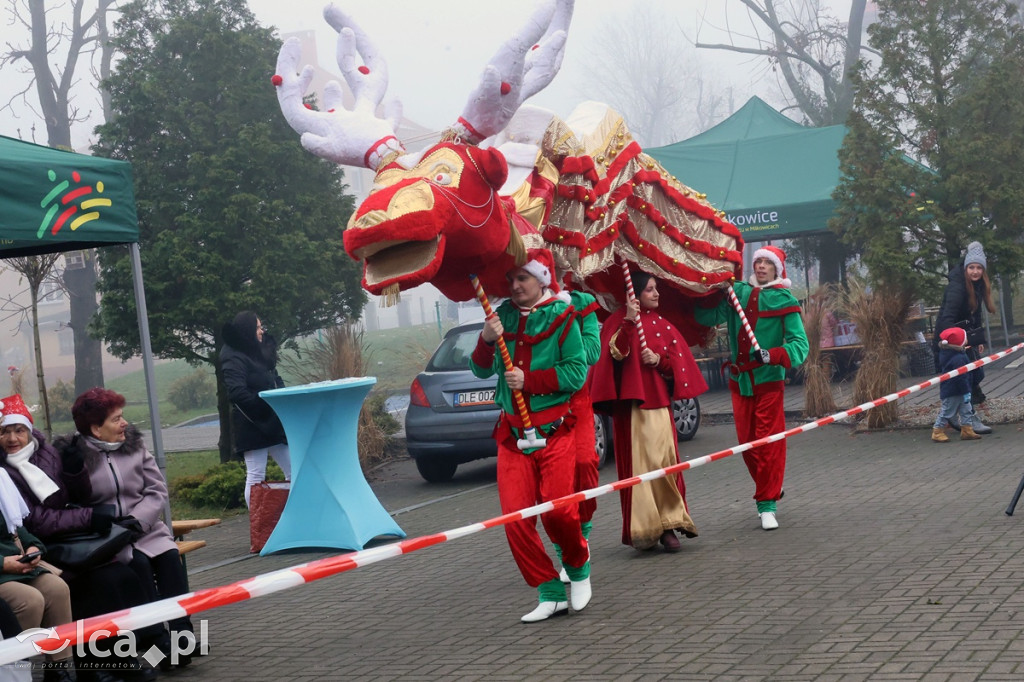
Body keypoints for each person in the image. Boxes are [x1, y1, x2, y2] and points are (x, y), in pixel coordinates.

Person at [468, 248, 592, 623]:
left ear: (541, 279)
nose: (515, 285)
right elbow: (477, 370)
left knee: (559, 511)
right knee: (516, 519)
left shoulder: (564, 315)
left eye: (523, 278)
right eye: (512, 279)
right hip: (512, 435)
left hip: (555, 432)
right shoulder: (499, 316)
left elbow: (577, 373)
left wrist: (531, 381)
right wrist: (486, 341)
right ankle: (549, 591)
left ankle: (579, 565)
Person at [0, 394, 161, 681]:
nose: (13, 438)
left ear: (29, 430)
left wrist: (75, 472)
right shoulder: (5, 473)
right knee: (95, 582)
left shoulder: (45, 452)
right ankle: (91, 663)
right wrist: (87, 518)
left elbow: (77, 497)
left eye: (19, 430)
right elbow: (33, 520)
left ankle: (122, 655)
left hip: (62, 540)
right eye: (5, 431)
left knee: (124, 573)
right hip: (49, 544)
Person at [57, 388, 196, 670]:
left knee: (170, 558)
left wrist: (138, 520)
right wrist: (108, 521)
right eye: (116, 419)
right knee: (139, 565)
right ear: (96, 428)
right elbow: (71, 503)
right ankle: (158, 646)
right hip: (108, 537)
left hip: (146, 529)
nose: (125, 424)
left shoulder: (134, 446)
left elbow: (156, 490)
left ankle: (183, 638)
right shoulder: (74, 457)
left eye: (123, 417)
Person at [590, 271, 706, 552]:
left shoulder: (662, 324)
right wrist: (629, 321)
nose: (656, 294)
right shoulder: (619, 321)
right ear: (635, 295)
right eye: (650, 290)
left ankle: (672, 519)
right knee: (646, 466)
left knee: (666, 463)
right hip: (635, 409)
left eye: (656, 289)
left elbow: (675, 367)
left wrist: (660, 361)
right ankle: (653, 527)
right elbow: (615, 353)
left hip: (661, 405)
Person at [694, 245, 809, 531]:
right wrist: (702, 291)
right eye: (757, 262)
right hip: (739, 382)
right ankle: (770, 486)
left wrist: (773, 354)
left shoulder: (784, 299)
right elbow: (708, 318)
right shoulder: (738, 293)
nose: (760, 267)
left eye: (766, 264)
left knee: (768, 443)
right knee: (747, 444)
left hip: (769, 381)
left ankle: (767, 503)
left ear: (776, 269)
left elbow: (800, 345)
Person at [0, 463, 74, 682]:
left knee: (57, 589)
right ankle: (13, 665)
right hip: (4, 570)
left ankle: (58, 668)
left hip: (16, 567)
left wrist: (34, 548)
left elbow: (17, 527)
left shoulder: (1, 477)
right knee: (30, 600)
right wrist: (3, 563)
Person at [220, 311, 291, 508]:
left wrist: (281, 397)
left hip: (272, 420)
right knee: (256, 474)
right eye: (258, 327)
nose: (262, 331)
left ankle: (292, 514)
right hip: (251, 423)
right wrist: (266, 404)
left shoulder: (256, 349)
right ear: (248, 330)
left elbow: (272, 376)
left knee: (295, 470)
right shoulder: (233, 357)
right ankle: (258, 522)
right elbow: (236, 392)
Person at [556, 284, 601, 583]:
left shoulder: (583, 303)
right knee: (558, 485)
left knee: (586, 466)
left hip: (579, 403)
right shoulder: (524, 310)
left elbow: (593, 354)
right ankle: (566, 554)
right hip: (545, 407)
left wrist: (564, 341)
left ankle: (582, 536)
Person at [933, 241, 995, 433]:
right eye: (971, 267)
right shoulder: (957, 288)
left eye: (979, 268)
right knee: (962, 380)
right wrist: (962, 341)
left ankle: (957, 414)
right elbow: (947, 320)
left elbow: (973, 316)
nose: (975, 272)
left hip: (964, 341)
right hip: (948, 343)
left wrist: (978, 340)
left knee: (976, 373)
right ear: (966, 267)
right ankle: (963, 417)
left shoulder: (977, 286)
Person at [931, 328, 983, 443]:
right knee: (947, 411)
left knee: (966, 409)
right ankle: (937, 430)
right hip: (953, 390)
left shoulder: (954, 354)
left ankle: (967, 429)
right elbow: (961, 377)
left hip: (960, 389)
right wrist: (966, 391)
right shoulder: (958, 358)